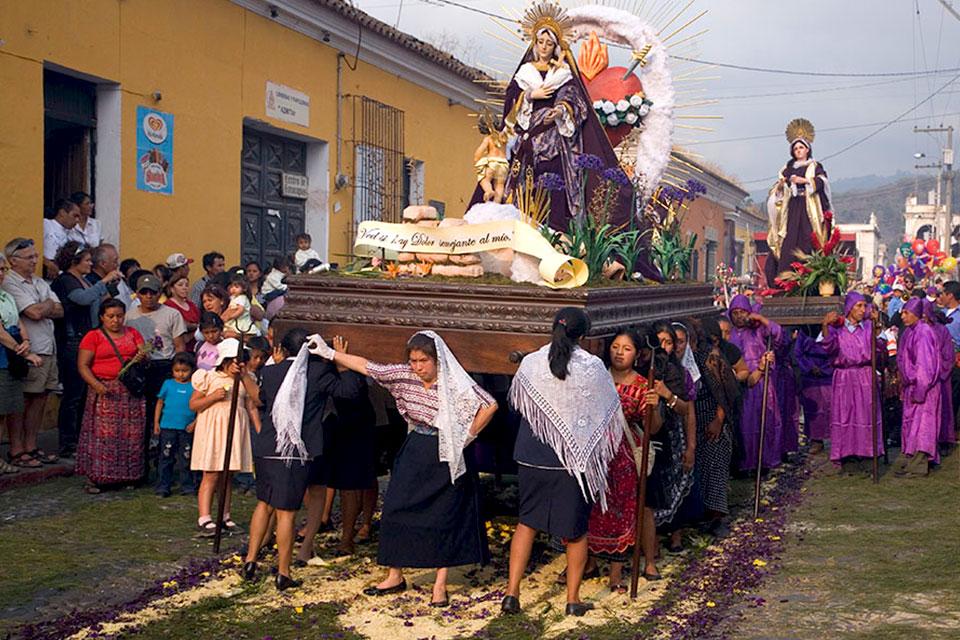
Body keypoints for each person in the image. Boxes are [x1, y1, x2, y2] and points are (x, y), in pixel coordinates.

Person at [308, 330, 496, 607]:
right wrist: (330, 353)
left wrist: (468, 434)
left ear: (437, 360)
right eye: (413, 360)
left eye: (423, 361)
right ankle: (394, 574)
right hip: (416, 445)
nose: (418, 367)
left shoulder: (453, 380)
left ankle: (440, 585)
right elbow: (367, 366)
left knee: (444, 515)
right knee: (396, 507)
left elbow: (490, 404)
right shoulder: (404, 374)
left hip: (447, 450)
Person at [502, 307, 623, 617]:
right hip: (574, 461)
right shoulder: (593, 366)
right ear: (583, 335)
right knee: (576, 531)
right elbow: (609, 409)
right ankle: (572, 599)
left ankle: (512, 595)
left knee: (526, 523)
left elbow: (519, 404)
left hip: (531, 455)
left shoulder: (530, 362)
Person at [242, 328, 364, 590]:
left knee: (264, 504)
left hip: (267, 448)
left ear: (282, 350)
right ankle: (283, 572)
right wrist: (341, 359)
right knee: (286, 514)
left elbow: (261, 398)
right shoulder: (319, 372)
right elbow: (349, 391)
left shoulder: (271, 371)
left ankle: (251, 560)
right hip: (294, 450)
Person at [582, 329, 662, 591]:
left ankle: (616, 572)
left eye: (626, 348)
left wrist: (655, 405)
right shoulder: (596, 378)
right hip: (595, 453)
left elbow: (654, 428)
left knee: (623, 511)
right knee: (590, 508)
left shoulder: (642, 385)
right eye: (615, 346)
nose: (619, 352)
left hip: (624, 457)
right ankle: (588, 561)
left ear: (637, 354)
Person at [51, 241, 122, 457]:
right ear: (75, 261)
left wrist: (108, 289)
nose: (91, 264)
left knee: (83, 395)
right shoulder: (66, 281)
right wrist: (104, 282)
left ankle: (81, 439)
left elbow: (95, 305)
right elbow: (81, 300)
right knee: (72, 395)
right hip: (72, 341)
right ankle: (68, 443)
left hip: (87, 338)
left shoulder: (83, 280)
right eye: (87, 260)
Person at [2, 238, 63, 468]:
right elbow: (33, 313)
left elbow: (59, 310)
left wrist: (43, 306)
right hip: (29, 347)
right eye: (29, 258)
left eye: (36, 256)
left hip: (48, 347)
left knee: (40, 398)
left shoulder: (38, 282)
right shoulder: (10, 283)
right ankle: (17, 448)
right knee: (22, 400)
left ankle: (32, 444)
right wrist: (46, 304)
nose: (35, 261)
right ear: (13, 261)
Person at [76, 299, 147, 493]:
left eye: (119, 316)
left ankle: (128, 476)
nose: (116, 320)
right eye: (111, 316)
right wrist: (96, 384)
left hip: (129, 391)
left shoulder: (133, 333)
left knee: (131, 434)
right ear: (102, 317)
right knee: (103, 435)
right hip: (104, 390)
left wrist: (141, 356)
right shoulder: (93, 337)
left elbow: (143, 352)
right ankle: (98, 477)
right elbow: (83, 365)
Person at [189, 338, 257, 536]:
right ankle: (204, 517)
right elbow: (194, 404)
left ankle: (224, 515)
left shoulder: (246, 378)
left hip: (234, 425)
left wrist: (258, 430)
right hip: (213, 427)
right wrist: (212, 397)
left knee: (227, 474)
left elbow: (251, 405)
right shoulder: (209, 378)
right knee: (211, 473)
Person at [125, 273, 188, 477]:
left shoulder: (171, 314)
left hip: (164, 366)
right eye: (144, 292)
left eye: (153, 292)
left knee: (164, 418)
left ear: (159, 293)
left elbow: (179, 346)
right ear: (138, 294)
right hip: (139, 367)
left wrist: (177, 375)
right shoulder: (130, 315)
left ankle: (166, 466)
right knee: (139, 417)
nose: (148, 296)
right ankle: (140, 465)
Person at [820, 292, 885, 474]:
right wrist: (825, 325)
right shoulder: (837, 330)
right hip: (844, 377)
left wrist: (876, 325)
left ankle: (867, 455)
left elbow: (879, 349)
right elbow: (829, 347)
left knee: (865, 414)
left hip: (864, 376)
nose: (862, 310)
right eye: (858, 306)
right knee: (845, 414)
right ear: (849, 308)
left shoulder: (867, 328)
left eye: (864, 306)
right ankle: (847, 455)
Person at [764, 118, 831, 286]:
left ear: (808, 149)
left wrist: (805, 181)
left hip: (809, 209)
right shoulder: (786, 169)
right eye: (795, 148)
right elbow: (777, 190)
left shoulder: (814, 166)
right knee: (789, 241)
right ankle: (787, 279)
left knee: (809, 240)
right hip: (791, 209)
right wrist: (782, 187)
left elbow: (823, 182)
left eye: (801, 147)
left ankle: (811, 278)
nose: (798, 151)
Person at [695, 318, 741, 534]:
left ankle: (717, 517)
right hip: (693, 419)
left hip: (714, 419)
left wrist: (718, 419)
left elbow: (725, 391)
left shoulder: (709, 356)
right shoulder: (686, 357)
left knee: (715, 469)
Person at [727, 295, 782, 472]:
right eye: (734, 313)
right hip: (738, 383)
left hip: (761, 381)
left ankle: (763, 461)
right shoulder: (729, 332)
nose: (739, 316)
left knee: (763, 421)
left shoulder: (758, 331)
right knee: (743, 423)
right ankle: (743, 463)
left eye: (742, 312)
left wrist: (759, 319)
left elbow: (777, 334)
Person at [0, 253, 43, 474]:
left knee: (8, 408)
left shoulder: (6, 296)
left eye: (2, 270)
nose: (1, 274)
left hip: (11, 357)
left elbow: (17, 321)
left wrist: (25, 340)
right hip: (4, 354)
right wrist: (24, 352)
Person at [895, 298, 941, 477]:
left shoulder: (923, 333)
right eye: (903, 312)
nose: (903, 316)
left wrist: (920, 389)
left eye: (907, 312)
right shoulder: (910, 331)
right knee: (913, 426)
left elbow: (925, 365)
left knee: (922, 427)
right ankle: (912, 462)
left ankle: (919, 465)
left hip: (923, 388)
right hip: (913, 386)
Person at [154, 352, 198, 497]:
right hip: (168, 428)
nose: (180, 374)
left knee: (186, 458)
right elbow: (160, 402)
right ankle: (163, 486)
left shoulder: (195, 386)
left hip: (186, 429)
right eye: (177, 371)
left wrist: (195, 423)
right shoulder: (168, 384)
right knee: (166, 458)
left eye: (184, 371)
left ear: (192, 370)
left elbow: (200, 408)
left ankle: (188, 486)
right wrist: (156, 422)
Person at [794, 328, 833, 454]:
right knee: (813, 411)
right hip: (810, 377)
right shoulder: (804, 332)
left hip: (828, 375)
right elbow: (798, 353)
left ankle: (837, 441)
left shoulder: (832, 330)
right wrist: (810, 367)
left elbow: (835, 350)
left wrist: (825, 369)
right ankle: (816, 440)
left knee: (832, 408)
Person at [42, 199, 81, 278]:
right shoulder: (46, 224)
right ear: (62, 213)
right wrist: (47, 262)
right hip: (44, 270)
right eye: (75, 216)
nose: (77, 220)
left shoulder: (73, 233)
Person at [164, 274, 200, 351]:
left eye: (186, 285)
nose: (184, 288)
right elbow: (180, 325)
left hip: (195, 346)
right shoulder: (168, 305)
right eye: (180, 285)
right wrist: (196, 327)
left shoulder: (191, 304)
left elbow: (200, 322)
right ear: (172, 289)